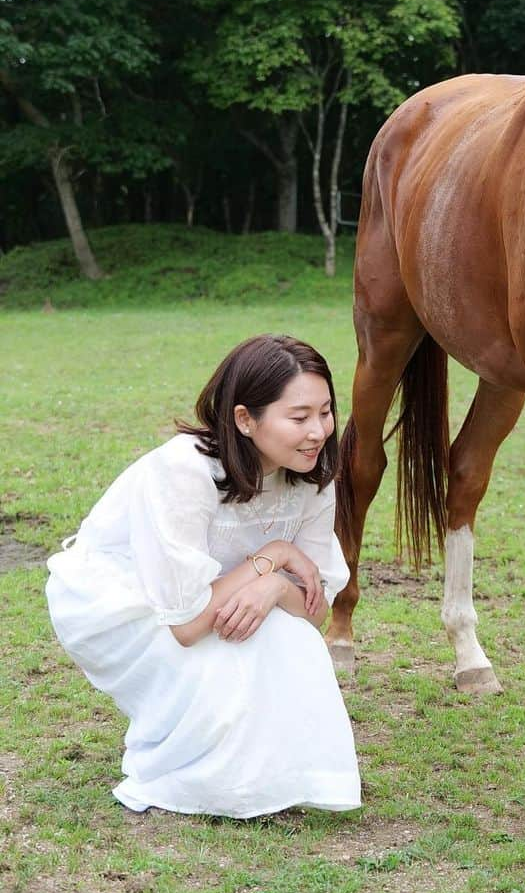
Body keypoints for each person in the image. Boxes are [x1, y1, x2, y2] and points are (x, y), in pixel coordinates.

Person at [46, 334, 362, 818]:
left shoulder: (313, 474)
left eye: (325, 412)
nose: (318, 431)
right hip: (121, 599)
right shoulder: (184, 469)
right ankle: (191, 775)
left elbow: (312, 614)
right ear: (244, 419)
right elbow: (187, 625)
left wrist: (276, 586)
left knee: (288, 640)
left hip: (211, 594)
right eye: (298, 417)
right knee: (224, 654)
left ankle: (279, 779)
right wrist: (273, 556)